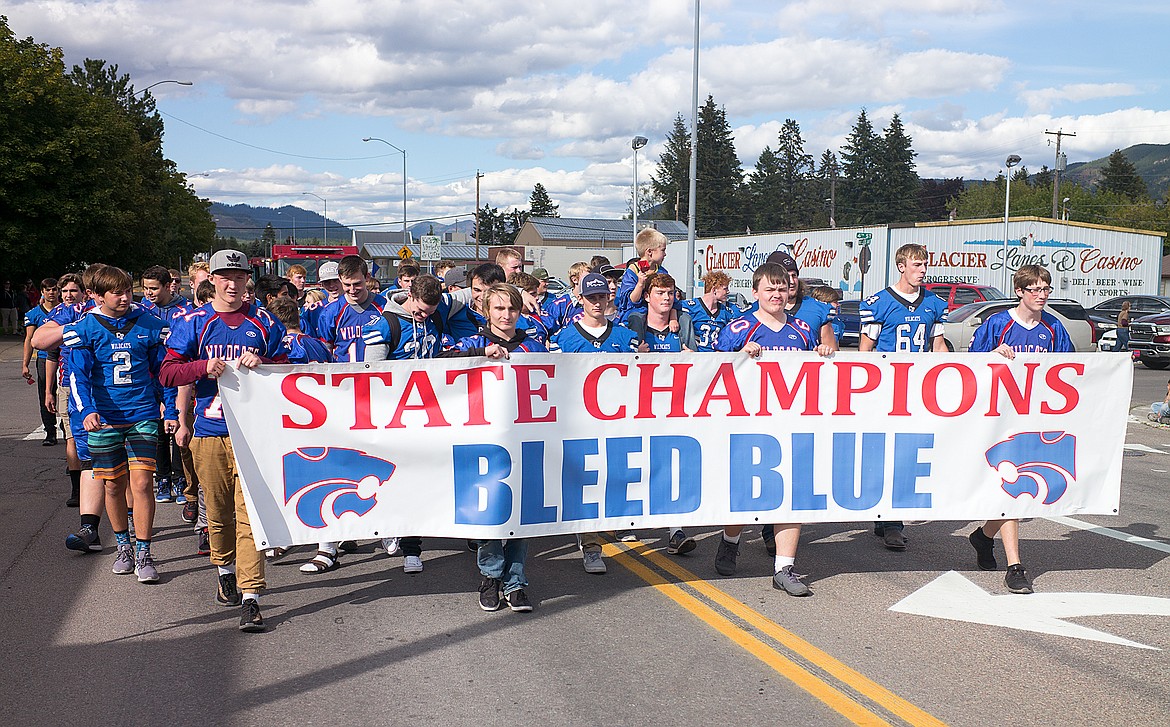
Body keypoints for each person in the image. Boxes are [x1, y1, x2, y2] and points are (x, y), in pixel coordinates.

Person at [161, 249, 289, 632]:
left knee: (252, 515)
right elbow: (167, 372)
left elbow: (291, 368)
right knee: (218, 514)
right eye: (225, 277)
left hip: (253, 435)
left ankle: (251, 597)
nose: (233, 284)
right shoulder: (194, 321)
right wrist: (203, 367)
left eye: (239, 276)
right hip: (210, 433)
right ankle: (225, 570)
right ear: (211, 281)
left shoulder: (263, 321)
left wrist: (265, 363)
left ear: (248, 279)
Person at [713, 262, 833, 596]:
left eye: (782, 289)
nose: (777, 295)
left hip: (792, 423)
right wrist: (737, 355)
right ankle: (730, 540)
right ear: (756, 293)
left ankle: (784, 567)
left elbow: (817, 378)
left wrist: (823, 354)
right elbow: (711, 376)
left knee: (791, 493)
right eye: (770, 289)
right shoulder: (739, 328)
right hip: (748, 422)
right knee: (743, 490)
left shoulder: (802, 329)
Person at [967, 265, 1072, 595]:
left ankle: (983, 537)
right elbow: (969, 364)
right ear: (1020, 291)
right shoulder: (998, 323)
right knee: (1014, 487)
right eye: (1036, 289)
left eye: (1046, 289)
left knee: (1013, 489)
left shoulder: (1053, 327)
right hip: (998, 417)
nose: (1042, 295)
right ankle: (1016, 567)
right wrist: (991, 354)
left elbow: (1070, 368)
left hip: (1033, 419)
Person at [65, 265, 174, 583]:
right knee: (113, 485)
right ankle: (123, 546)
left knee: (141, 484)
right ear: (96, 295)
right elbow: (77, 375)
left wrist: (169, 408)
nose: (125, 297)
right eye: (117, 292)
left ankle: (144, 552)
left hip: (142, 414)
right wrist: (86, 409)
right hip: (104, 419)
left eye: (128, 290)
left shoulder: (151, 325)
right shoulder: (85, 328)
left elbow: (164, 370)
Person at [447, 283, 543, 612]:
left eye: (511, 309)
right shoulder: (474, 341)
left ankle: (516, 581)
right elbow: (439, 364)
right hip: (483, 445)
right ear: (487, 311)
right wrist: (480, 355)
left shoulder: (534, 346)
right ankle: (490, 575)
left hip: (524, 442)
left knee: (521, 513)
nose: (505, 315)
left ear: (520, 311)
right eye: (499, 309)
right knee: (490, 512)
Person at [859, 243, 948, 551]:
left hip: (918, 389)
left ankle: (891, 520)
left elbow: (938, 346)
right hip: (886, 388)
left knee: (908, 454)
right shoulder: (880, 302)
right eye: (916, 264)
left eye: (925, 264)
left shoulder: (933, 303)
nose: (922, 270)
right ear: (901, 266)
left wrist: (952, 372)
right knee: (883, 453)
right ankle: (886, 518)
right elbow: (865, 351)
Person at [552, 272, 641, 574]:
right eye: (591, 297)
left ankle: (615, 522)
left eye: (602, 296)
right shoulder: (564, 338)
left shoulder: (624, 336)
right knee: (588, 481)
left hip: (617, 420)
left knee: (615, 474)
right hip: (580, 420)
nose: (598, 302)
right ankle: (591, 544)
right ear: (580, 299)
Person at [358, 274, 446, 574]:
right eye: (420, 310)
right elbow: (370, 373)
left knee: (416, 482)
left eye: (430, 312)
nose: (423, 316)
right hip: (392, 415)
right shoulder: (386, 324)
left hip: (428, 415)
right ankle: (387, 525)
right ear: (409, 295)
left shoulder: (435, 318)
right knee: (387, 477)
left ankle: (412, 548)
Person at [140, 266, 194, 506]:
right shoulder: (141, 309)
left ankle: (179, 477)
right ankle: (161, 477)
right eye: (145, 288)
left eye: (154, 288)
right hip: (150, 376)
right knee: (158, 429)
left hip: (176, 375)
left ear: (167, 286)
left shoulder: (185, 310)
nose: (149, 293)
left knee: (178, 427)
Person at [317, 255, 387, 362]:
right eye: (347, 285)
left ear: (367, 277)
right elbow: (325, 351)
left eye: (357, 284)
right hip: (344, 374)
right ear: (340, 279)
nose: (352, 290)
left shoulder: (384, 306)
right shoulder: (331, 312)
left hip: (375, 373)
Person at [21, 278, 61, 447]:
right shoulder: (33, 314)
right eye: (48, 290)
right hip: (45, 359)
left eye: (54, 289)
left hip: (65, 358)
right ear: (42, 292)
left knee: (68, 393)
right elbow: (29, 339)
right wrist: (25, 363)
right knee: (46, 393)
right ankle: (50, 431)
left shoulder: (65, 310)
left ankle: (67, 428)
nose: (51, 292)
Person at [682, 271, 739, 352]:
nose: (728, 291)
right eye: (725, 288)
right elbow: (671, 306)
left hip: (716, 358)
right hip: (695, 357)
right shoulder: (692, 306)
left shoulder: (726, 312)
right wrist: (673, 319)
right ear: (714, 289)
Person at [300, 260, 342, 339]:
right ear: (321, 284)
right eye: (327, 282)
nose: (332, 285)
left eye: (335, 281)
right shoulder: (314, 310)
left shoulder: (354, 305)